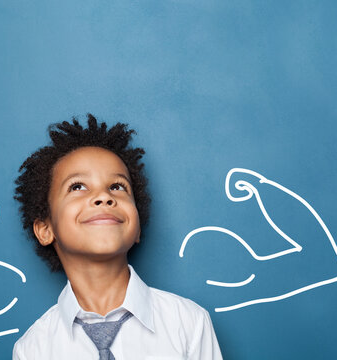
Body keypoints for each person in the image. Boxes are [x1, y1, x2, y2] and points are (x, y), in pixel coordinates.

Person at [12, 114, 222, 359]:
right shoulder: (33, 349)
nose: (103, 196)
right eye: (77, 186)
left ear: (137, 228)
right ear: (45, 229)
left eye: (117, 187)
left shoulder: (188, 323)